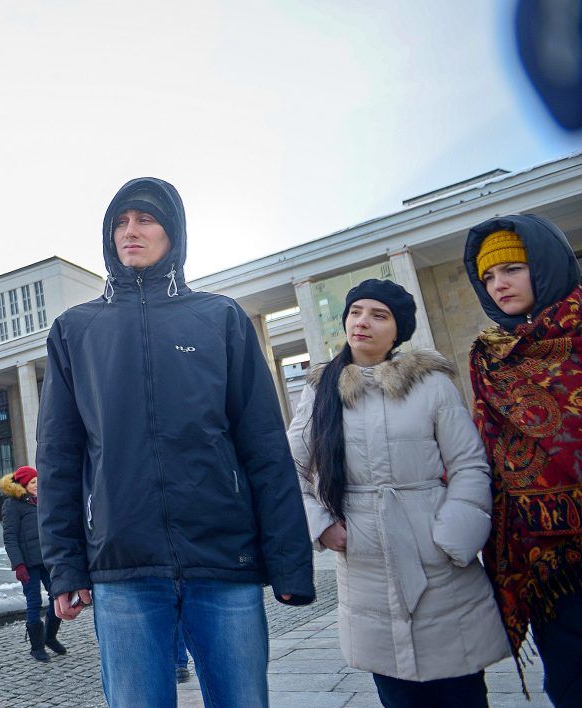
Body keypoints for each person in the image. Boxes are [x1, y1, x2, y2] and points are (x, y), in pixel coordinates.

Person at [36, 177, 314, 707]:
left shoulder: (220, 318)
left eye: (145, 219)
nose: (130, 231)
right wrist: (66, 566)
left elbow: (264, 447)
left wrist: (289, 562)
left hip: (222, 560)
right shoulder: (76, 330)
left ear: (174, 233)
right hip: (123, 566)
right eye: (120, 222)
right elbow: (58, 458)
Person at [287, 278, 509, 708]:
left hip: (440, 560)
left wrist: (452, 536)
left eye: (378, 315)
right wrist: (323, 525)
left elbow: (468, 463)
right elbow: (289, 468)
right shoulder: (319, 391)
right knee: (397, 694)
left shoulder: (431, 384)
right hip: (365, 564)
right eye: (355, 312)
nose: (362, 322)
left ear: (398, 331)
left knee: (461, 692)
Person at [464, 216, 582, 706]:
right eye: (489, 277)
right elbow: (482, 448)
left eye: (512, 268)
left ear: (547, 265)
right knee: (571, 681)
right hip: (546, 560)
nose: (500, 285)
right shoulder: (491, 357)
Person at [0, 465, 66, 662]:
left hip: (47, 560)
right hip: (28, 564)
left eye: (38, 481)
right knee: (34, 602)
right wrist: (18, 565)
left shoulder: (42, 501)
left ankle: (49, 637)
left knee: (58, 597)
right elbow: (10, 537)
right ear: (23, 484)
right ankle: (36, 647)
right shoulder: (12, 505)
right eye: (33, 482)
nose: (37, 485)